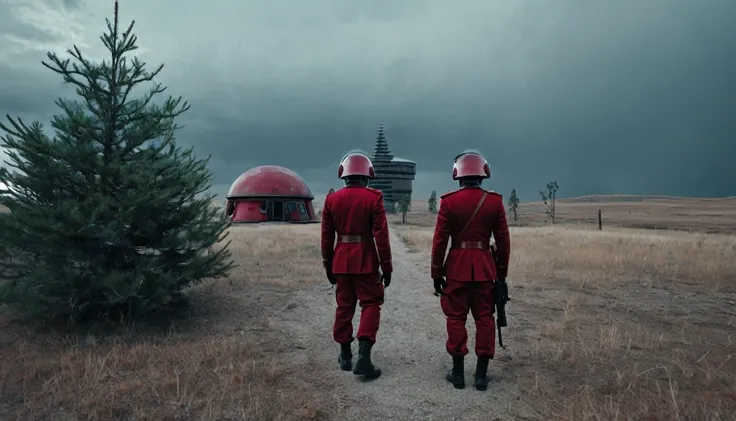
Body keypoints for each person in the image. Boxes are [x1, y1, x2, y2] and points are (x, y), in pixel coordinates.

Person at [430, 149, 511, 391]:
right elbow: (504, 243)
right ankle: (481, 376)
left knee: (456, 318)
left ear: (458, 175)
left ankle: (457, 373)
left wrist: (436, 273)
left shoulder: (448, 202)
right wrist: (502, 274)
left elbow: (439, 242)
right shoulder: (494, 202)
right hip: (486, 270)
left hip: (456, 268)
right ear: (482, 174)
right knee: (485, 318)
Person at [320, 150, 393, 380]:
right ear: (366, 175)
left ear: (345, 175)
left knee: (344, 306)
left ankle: (345, 356)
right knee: (371, 304)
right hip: (366, 261)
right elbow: (381, 237)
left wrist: (328, 264)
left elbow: (326, 238)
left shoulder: (332, 200)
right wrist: (387, 267)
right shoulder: (374, 198)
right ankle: (364, 354)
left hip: (341, 260)